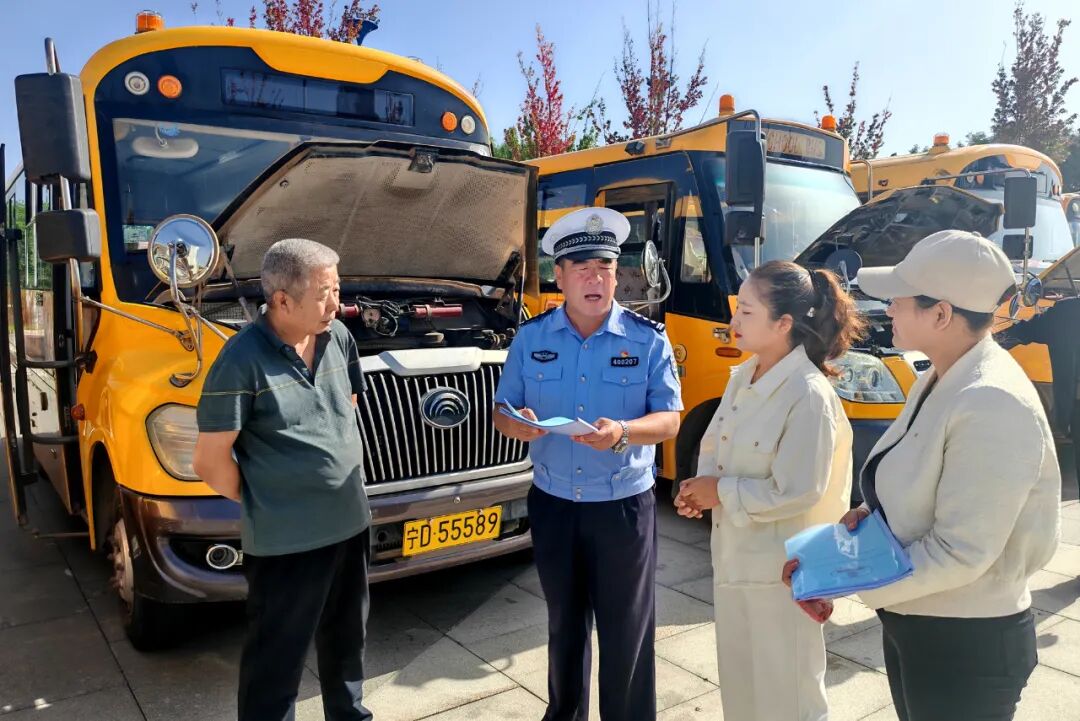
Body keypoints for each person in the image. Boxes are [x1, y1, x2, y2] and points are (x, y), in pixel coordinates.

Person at [785, 230, 1061, 721]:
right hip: (926, 624)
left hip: (964, 644)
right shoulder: (944, 374)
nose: (887, 308)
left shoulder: (990, 400)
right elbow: (914, 481)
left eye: (898, 299)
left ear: (941, 314)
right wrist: (861, 524)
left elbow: (961, 551)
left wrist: (846, 584)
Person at [494, 207, 682, 721]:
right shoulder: (532, 340)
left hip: (621, 508)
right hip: (555, 505)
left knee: (627, 631)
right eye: (581, 268)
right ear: (559, 277)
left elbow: (669, 421)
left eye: (605, 267)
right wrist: (520, 423)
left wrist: (623, 432)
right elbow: (501, 413)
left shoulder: (647, 340)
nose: (595, 279)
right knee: (565, 626)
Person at [674, 260, 863, 721]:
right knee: (743, 694)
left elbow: (799, 489)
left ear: (783, 324)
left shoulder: (808, 395)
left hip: (785, 575)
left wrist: (721, 491)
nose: (733, 322)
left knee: (790, 699)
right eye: (737, 309)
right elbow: (720, 453)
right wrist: (698, 491)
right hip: (736, 561)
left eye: (747, 312)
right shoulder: (745, 376)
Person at [192, 238, 373, 721]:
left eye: (337, 289)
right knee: (277, 660)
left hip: (349, 524)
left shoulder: (339, 337)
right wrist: (269, 498)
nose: (337, 303)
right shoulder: (240, 360)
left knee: (347, 642)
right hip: (286, 542)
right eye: (324, 293)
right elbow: (209, 462)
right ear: (282, 301)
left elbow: (346, 408)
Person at [998, 295, 1080, 494]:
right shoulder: (1065, 312)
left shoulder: (1065, 311)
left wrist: (980, 345)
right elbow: (1021, 333)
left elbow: (1020, 332)